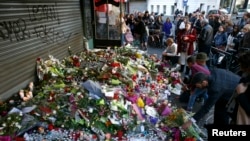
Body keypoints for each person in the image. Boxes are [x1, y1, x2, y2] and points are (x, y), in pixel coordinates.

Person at [227, 51, 250, 124]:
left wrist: (241, 94)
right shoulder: (245, 77)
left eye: (242, 65)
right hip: (236, 117)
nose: (240, 68)